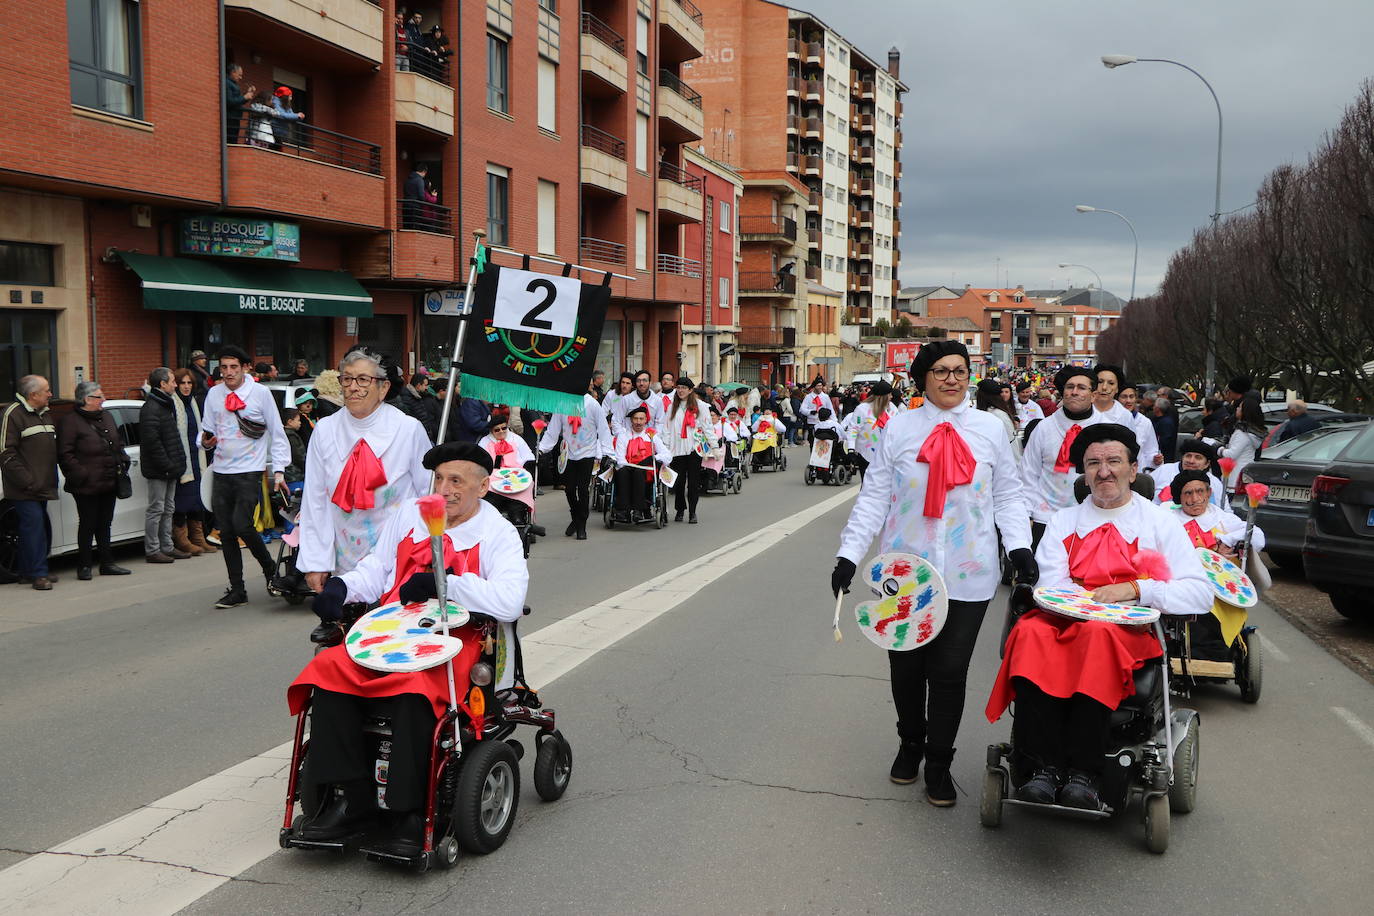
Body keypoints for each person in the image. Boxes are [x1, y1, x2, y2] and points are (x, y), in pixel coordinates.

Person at [288, 442, 527, 857]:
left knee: (413, 685)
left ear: (484, 486)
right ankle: (350, 799)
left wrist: (445, 584)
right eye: (439, 479)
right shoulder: (412, 515)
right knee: (329, 669)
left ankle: (408, 812)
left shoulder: (497, 532)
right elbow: (377, 569)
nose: (445, 488)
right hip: (393, 629)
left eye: (457, 480)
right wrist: (341, 589)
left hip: (455, 638)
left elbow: (509, 600)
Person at [832, 341, 1035, 807]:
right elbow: (874, 497)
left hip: (970, 573)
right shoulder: (899, 429)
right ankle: (910, 743)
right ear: (923, 377)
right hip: (906, 572)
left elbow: (1007, 495)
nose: (952, 379)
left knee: (948, 671)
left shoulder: (989, 429)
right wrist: (849, 556)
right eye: (941, 371)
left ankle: (940, 762)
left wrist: (1020, 546)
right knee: (906, 668)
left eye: (960, 371)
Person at [986, 424, 1210, 810]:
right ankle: (1040, 767)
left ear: (1133, 469)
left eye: (1113, 461)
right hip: (1064, 620)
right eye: (1093, 463)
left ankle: (1083, 772)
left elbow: (1201, 592)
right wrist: (1083, 604)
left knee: (1098, 637)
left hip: (1126, 630)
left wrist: (1137, 589)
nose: (1103, 471)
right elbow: (1051, 584)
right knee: (1029, 633)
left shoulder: (1159, 523)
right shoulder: (1064, 521)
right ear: (1084, 473)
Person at [297, 349, 431, 605]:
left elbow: (428, 494)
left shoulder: (407, 429)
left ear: (383, 387)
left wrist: (428, 553)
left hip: (398, 559)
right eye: (346, 379)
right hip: (344, 559)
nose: (353, 388)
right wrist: (316, 562)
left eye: (363, 380)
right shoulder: (325, 430)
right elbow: (315, 500)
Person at [201, 345, 292, 609]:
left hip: (250, 471)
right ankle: (238, 590)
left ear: (245, 368)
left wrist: (279, 470)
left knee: (242, 525)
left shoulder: (260, 394)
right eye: (224, 367)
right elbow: (205, 434)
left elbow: (277, 432)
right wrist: (206, 442)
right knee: (226, 532)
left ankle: (270, 571)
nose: (228, 372)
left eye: (233, 367)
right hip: (221, 471)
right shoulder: (213, 395)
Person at [56, 380, 132, 580]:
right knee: (88, 523)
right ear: (87, 399)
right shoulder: (70, 421)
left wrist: (123, 459)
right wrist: (81, 474)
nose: (104, 400)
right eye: (100, 396)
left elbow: (118, 441)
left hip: (109, 479)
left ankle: (107, 563)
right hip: (86, 484)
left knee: (105, 523)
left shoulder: (106, 416)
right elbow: (65, 454)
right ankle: (84, 565)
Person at [1020, 365, 1102, 547]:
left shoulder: (1106, 427)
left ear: (1093, 395)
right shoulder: (1044, 428)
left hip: (1094, 518)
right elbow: (1028, 475)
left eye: (1081, 388)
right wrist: (1025, 517)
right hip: (1047, 518)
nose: (1074, 392)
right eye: (1069, 387)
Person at [2, 376, 58, 589]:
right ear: (33, 395)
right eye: (47, 390)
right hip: (24, 487)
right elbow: (6, 452)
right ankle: (39, 575)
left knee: (35, 527)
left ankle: (28, 571)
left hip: (42, 484)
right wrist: (27, 480)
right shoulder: (13, 414)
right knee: (34, 527)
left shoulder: (45, 414)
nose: (50, 394)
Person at [538, 383, 614, 539]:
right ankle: (575, 517)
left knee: (583, 489)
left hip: (587, 453)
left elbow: (603, 428)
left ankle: (582, 525)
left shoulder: (592, 404)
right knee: (570, 489)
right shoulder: (562, 403)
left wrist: (608, 452)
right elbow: (553, 429)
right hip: (568, 454)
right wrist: (542, 448)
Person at [139, 368, 193, 564]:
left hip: (169, 468)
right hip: (158, 469)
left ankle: (167, 547)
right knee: (156, 509)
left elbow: (172, 438)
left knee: (169, 508)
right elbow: (153, 443)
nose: (176, 385)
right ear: (162, 384)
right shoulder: (152, 408)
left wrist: (175, 464)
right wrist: (168, 464)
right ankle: (153, 550)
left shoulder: (165, 404)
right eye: (172, 381)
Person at [172, 368, 215, 555]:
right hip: (183, 460)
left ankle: (198, 538)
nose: (187, 387)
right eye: (183, 383)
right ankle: (182, 539)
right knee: (183, 501)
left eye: (189, 383)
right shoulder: (173, 404)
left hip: (196, 456)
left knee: (197, 499)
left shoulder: (193, 403)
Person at [612, 405, 672, 521]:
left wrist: (654, 457)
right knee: (622, 473)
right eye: (635, 419)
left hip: (646, 470)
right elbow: (620, 457)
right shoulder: (624, 436)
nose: (638, 422)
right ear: (631, 420)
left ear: (646, 420)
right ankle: (623, 509)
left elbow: (667, 455)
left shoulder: (652, 436)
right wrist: (628, 466)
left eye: (641, 419)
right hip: (627, 466)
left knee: (639, 473)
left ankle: (638, 510)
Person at [661, 378, 708, 524]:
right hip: (677, 450)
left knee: (693, 483)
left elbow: (707, 427)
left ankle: (693, 512)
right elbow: (666, 430)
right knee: (679, 482)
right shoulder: (672, 407)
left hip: (694, 449)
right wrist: (666, 449)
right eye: (678, 387)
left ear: (690, 390)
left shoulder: (700, 406)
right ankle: (680, 509)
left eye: (684, 388)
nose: (680, 390)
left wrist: (714, 447)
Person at [841, 380, 898, 481]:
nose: (891, 397)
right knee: (868, 487)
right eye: (889, 394)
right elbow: (853, 429)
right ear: (883, 396)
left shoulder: (892, 409)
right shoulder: (862, 409)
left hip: (887, 456)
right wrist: (851, 449)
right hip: (866, 455)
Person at [1152, 439, 1227, 507]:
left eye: (1198, 457)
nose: (1191, 461)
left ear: (1207, 464)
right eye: (1188, 456)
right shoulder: (1164, 470)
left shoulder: (1215, 483)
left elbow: (1226, 511)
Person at [1220, 393, 1264, 494]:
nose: (1237, 409)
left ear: (1245, 412)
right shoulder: (1253, 433)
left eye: (1239, 407)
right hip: (1244, 473)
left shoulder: (1242, 433)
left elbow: (1232, 454)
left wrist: (1219, 449)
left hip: (1234, 476)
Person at [1116, 383, 1161, 469]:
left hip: (1137, 471)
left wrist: (1155, 459)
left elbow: (1151, 450)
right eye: (1124, 397)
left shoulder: (1145, 422)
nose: (1128, 401)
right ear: (1117, 399)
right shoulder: (1110, 419)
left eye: (1131, 396)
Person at [610, 370, 666, 437]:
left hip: (650, 440)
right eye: (638, 381)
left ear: (650, 383)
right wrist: (624, 437)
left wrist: (654, 438)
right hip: (630, 440)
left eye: (644, 380)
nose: (641, 383)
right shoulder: (627, 400)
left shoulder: (658, 401)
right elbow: (616, 420)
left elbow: (660, 423)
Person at [397, 373, 441, 443]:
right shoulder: (408, 398)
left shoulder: (418, 396)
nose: (427, 388)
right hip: (416, 438)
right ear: (418, 385)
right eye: (425, 385)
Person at [799, 377, 829, 442]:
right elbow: (802, 409)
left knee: (822, 441)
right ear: (814, 387)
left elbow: (830, 409)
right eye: (818, 386)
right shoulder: (808, 397)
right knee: (812, 441)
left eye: (821, 385)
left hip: (823, 423)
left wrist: (834, 421)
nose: (820, 387)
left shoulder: (825, 397)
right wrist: (810, 412)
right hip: (812, 422)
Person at [283, 409, 307, 483]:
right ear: (290, 422)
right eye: (298, 420)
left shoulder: (284, 434)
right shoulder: (291, 436)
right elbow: (298, 456)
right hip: (294, 474)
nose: (300, 423)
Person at [1152, 396, 1179, 462]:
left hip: (1164, 457)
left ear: (1158, 408)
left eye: (1154, 406)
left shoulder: (1166, 422)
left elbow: (1164, 441)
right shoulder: (1157, 420)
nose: (1153, 408)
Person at [402, 164, 428, 230]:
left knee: (407, 227)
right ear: (424, 171)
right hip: (415, 207)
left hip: (405, 206)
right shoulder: (419, 180)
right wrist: (424, 202)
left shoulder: (408, 180)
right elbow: (421, 195)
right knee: (416, 227)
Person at [225, 63, 246, 144]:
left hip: (235, 118)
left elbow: (237, 101)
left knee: (233, 141)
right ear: (233, 72)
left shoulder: (234, 84)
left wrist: (246, 97)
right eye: (239, 75)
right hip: (230, 118)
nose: (240, 78)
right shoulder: (227, 83)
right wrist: (244, 98)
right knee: (230, 142)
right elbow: (229, 101)